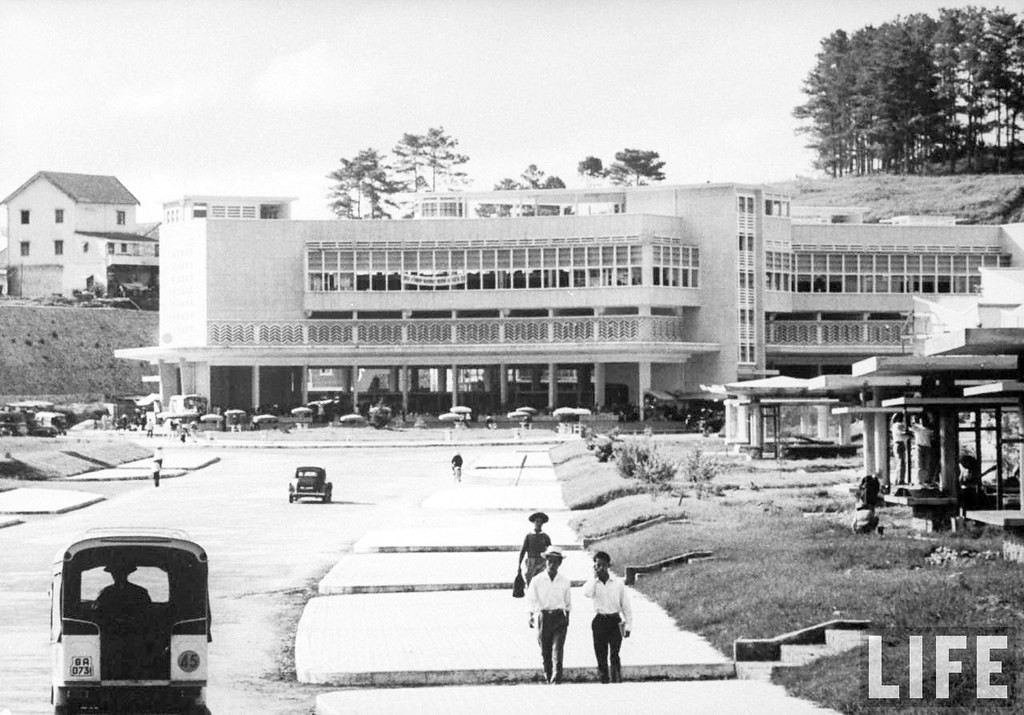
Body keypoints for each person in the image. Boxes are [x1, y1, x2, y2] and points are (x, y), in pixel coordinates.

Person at [582, 550, 632, 684]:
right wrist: (594, 577)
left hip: (615, 621)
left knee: (614, 654)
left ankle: (616, 680)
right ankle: (604, 681)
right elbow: (586, 593)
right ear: (595, 566)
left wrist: (628, 625)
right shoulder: (593, 584)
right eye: (598, 565)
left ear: (608, 566)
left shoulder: (617, 583)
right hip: (600, 621)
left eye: (603, 565)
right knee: (601, 654)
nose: (601, 568)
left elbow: (626, 606)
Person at [526, 546, 571, 684]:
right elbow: (531, 599)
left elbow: (568, 602)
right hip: (543, 616)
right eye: (550, 561)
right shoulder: (537, 580)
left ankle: (557, 677)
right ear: (546, 562)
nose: (552, 565)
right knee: (545, 649)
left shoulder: (564, 581)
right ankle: (548, 675)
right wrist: (531, 616)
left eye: (555, 562)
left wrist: (567, 617)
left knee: (557, 648)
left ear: (560, 564)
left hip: (559, 616)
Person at [519, 512, 552, 586]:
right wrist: (519, 565)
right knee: (530, 582)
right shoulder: (529, 536)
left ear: (542, 523)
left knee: (541, 582)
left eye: (540, 522)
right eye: (537, 521)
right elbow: (523, 551)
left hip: (542, 562)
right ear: (534, 522)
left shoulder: (545, 536)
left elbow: (550, 551)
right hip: (531, 561)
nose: (538, 523)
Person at [909, 414, 937, 487]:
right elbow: (910, 426)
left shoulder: (928, 430)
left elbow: (933, 434)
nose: (922, 422)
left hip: (927, 447)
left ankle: (926, 480)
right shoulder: (917, 427)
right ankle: (920, 480)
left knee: (927, 464)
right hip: (920, 446)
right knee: (920, 464)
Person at [890, 414, 910, 485]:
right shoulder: (897, 425)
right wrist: (909, 434)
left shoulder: (894, 425)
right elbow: (902, 433)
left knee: (899, 462)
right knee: (901, 462)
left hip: (899, 444)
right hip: (899, 444)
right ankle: (900, 480)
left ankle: (897, 479)